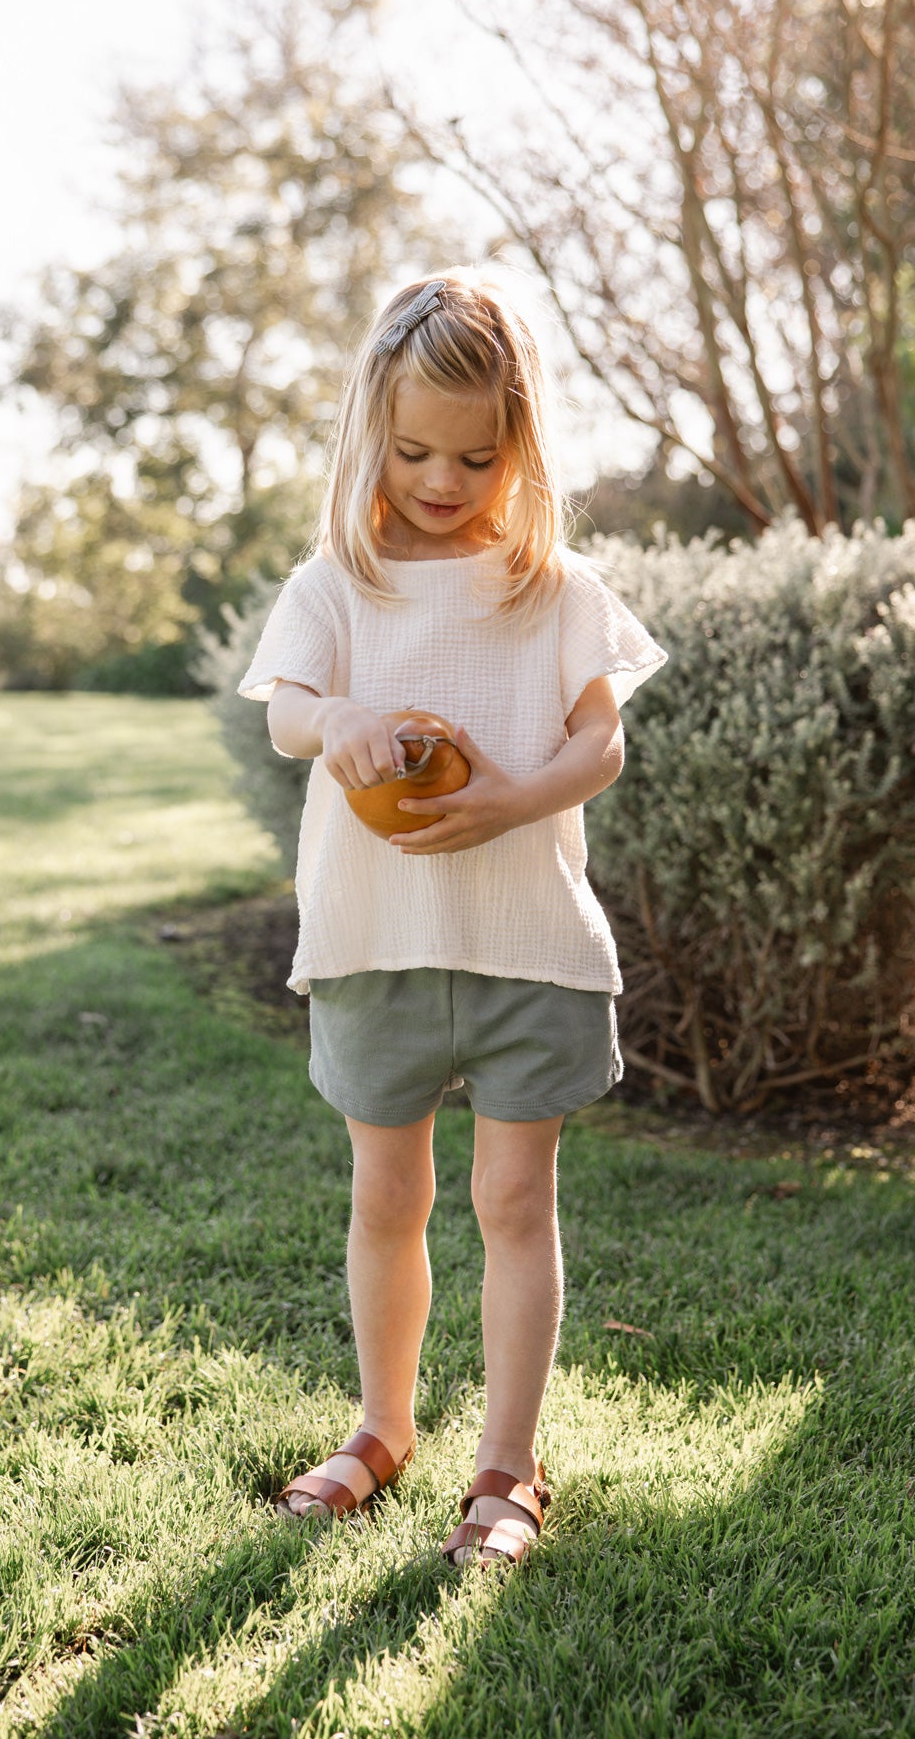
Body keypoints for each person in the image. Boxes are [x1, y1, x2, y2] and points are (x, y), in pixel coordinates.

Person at [237, 270, 666, 1567]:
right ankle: (382, 1428)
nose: (443, 478)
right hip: (378, 944)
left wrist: (517, 797)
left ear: (521, 446)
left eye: (478, 455)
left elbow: (602, 741)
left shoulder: (554, 587)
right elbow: (287, 712)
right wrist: (345, 719)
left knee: (516, 1202)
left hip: (527, 946)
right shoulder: (338, 582)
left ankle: (506, 1467)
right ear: (373, 430)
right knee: (388, 1200)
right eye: (416, 449)